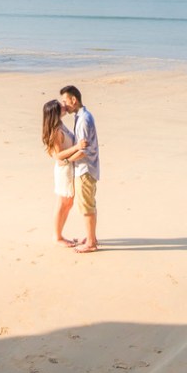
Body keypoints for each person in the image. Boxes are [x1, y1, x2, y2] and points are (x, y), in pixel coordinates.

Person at [58, 84, 100, 253]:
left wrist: (66, 161)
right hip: (89, 168)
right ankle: (92, 237)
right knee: (89, 204)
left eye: (65, 101)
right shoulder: (83, 116)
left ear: (73, 100)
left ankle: (91, 242)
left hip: (85, 170)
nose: (63, 105)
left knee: (86, 206)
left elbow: (82, 151)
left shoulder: (83, 120)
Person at [42, 99, 86, 247]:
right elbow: (58, 155)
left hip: (69, 167)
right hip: (64, 170)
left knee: (68, 202)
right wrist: (76, 148)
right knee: (62, 202)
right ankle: (57, 236)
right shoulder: (55, 131)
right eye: (60, 106)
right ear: (55, 113)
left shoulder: (60, 125)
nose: (63, 106)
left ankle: (59, 234)